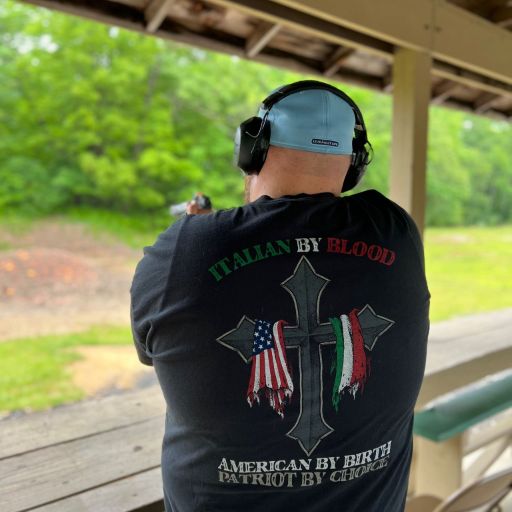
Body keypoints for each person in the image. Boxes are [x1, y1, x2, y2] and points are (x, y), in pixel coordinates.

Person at [130, 80, 431, 512]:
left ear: (250, 149)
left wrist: (196, 238)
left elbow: (150, 349)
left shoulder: (184, 252)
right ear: (354, 164)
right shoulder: (397, 234)